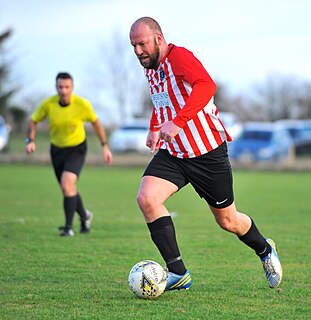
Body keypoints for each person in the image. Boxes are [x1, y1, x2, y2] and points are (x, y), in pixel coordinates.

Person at [129, 17, 282, 291]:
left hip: (207, 152)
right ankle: (178, 272)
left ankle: (264, 249)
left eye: (142, 43)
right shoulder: (151, 67)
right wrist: (155, 127)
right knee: (147, 198)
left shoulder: (180, 58)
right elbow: (160, 100)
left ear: (159, 39)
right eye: (134, 45)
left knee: (228, 220)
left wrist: (177, 122)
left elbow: (206, 86)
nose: (138, 50)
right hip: (174, 153)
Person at [25, 72, 113, 237]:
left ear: (72, 87)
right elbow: (34, 120)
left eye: (66, 87)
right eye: (60, 87)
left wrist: (105, 146)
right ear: (56, 87)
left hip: (77, 149)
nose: (63, 91)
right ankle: (85, 216)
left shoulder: (82, 104)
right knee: (68, 188)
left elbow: (96, 123)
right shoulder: (49, 104)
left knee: (67, 184)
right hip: (57, 150)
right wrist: (30, 139)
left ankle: (68, 227)